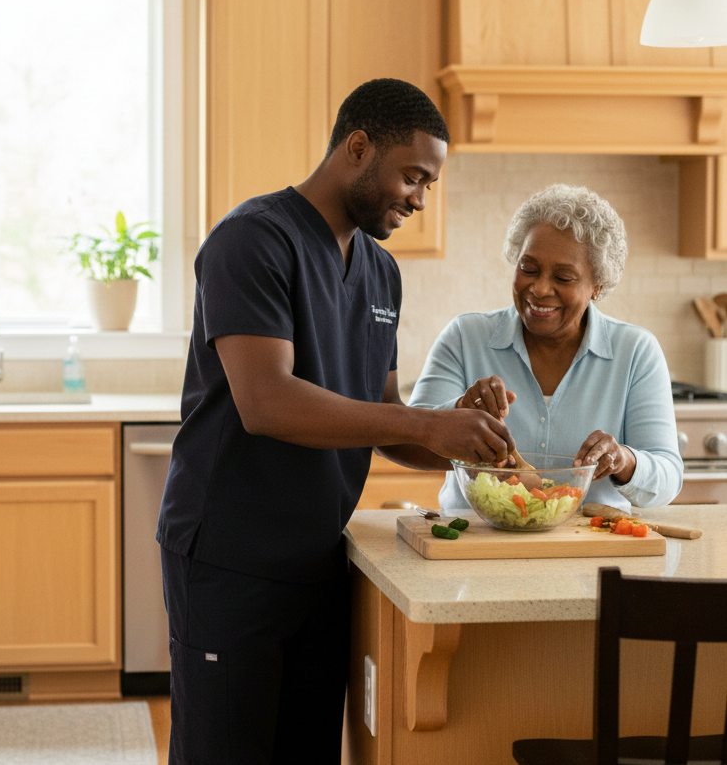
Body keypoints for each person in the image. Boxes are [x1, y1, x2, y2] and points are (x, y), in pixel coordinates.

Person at [156, 78, 516, 765]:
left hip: (322, 558)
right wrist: (423, 425)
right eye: (414, 175)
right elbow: (266, 402)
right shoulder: (252, 240)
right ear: (358, 147)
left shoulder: (382, 273)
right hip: (231, 557)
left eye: (429, 184)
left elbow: (383, 419)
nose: (419, 197)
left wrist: (456, 433)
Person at [409, 183, 683, 513]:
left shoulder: (636, 352)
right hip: (476, 547)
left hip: (590, 549)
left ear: (597, 285)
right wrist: (458, 411)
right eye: (529, 269)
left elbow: (668, 477)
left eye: (564, 278)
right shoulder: (465, 337)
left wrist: (624, 460)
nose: (539, 289)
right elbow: (409, 440)